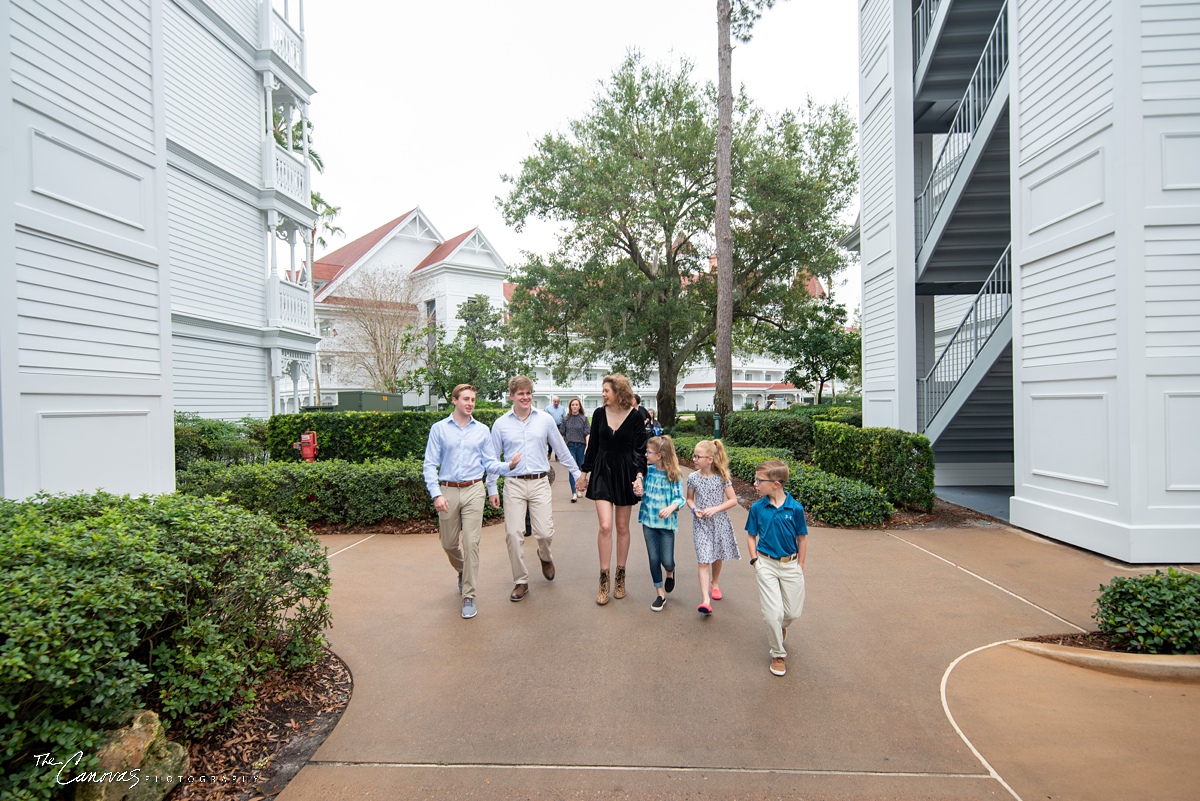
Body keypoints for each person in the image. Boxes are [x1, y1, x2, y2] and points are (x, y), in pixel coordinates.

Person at [422, 384, 520, 620]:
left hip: (475, 489)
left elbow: (489, 462)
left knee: (472, 542)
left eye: (473, 400)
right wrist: (436, 494)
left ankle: (469, 594)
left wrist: (508, 466)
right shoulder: (439, 429)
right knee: (448, 543)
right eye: (466, 399)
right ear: (454, 400)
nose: (470, 403)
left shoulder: (482, 430)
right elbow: (429, 464)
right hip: (447, 490)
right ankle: (462, 570)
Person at [491, 376, 582, 602]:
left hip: (540, 482)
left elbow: (561, 449)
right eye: (520, 393)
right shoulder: (500, 424)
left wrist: (578, 474)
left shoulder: (545, 420)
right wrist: (491, 486)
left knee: (544, 533)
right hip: (514, 484)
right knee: (513, 534)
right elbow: (492, 458)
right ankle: (521, 581)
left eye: (528, 393)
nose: (525, 397)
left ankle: (545, 555)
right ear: (511, 396)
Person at [576, 374, 648, 605]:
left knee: (622, 527)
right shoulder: (598, 414)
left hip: (625, 474)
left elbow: (639, 450)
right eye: (603, 390)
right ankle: (603, 579)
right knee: (606, 526)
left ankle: (620, 576)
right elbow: (593, 447)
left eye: (607, 390)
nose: (603, 394)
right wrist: (583, 474)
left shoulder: (635, 417)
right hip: (602, 472)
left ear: (619, 391)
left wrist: (639, 476)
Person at [745, 459, 808, 676]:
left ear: (776, 484)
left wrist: (799, 565)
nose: (755, 483)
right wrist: (755, 561)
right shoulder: (757, 508)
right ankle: (778, 654)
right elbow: (751, 536)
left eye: (759, 480)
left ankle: (781, 627)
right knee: (772, 613)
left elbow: (802, 538)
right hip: (766, 564)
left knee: (791, 613)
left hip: (790, 566)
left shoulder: (795, 508)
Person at [685, 439, 741, 615]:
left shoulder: (722, 477)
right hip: (701, 524)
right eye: (694, 455)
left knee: (717, 556)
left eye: (698, 456)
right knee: (703, 560)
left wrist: (716, 508)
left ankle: (714, 582)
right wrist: (694, 509)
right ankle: (705, 600)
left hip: (719, 522)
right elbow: (689, 499)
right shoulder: (692, 478)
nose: (694, 459)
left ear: (710, 459)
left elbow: (733, 500)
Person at [636, 435, 685, 611]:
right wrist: (638, 490)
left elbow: (680, 499)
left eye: (649, 452)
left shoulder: (674, 475)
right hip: (649, 521)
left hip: (666, 525)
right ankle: (660, 594)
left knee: (667, 561)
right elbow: (642, 494)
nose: (646, 454)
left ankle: (670, 573)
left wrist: (671, 507)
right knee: (654, 558)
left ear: (660, 455)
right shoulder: (648, 472)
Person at [560, 397, 589, 502]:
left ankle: (579, 489)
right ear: (570, 407)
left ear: (579, 406)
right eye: (573, 405)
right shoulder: (566, 419)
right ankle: (574, 493)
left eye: (576, 404)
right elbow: (562, 434)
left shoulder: (584, 419)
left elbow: (587, 433)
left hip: (581, 445)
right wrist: (561, 448)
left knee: (580, 469)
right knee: (572, 469)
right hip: (570, 446)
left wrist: (587, 445)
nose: (574, 406)